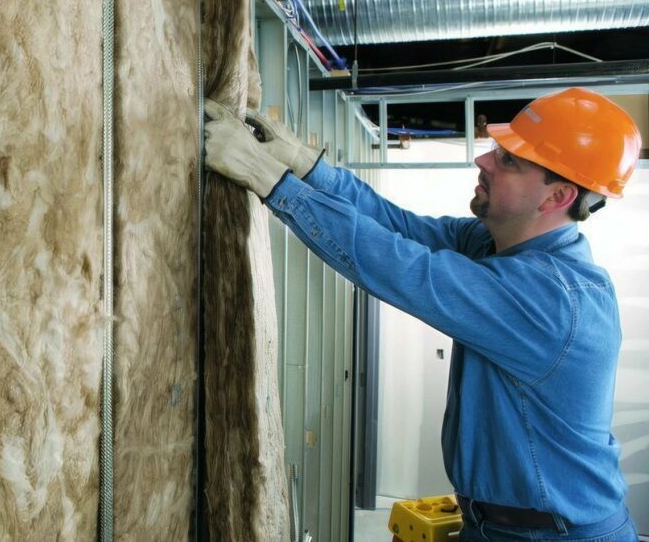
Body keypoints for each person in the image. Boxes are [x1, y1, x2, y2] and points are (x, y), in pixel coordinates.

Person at [204, 87, 642, 542]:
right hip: (500, 527)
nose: (484, 162)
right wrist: (305, 165)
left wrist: (270, 180)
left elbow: (401, 267)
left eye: (510, 160)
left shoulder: (551, 301)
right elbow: (400, 229)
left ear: (558, 196)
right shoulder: (497, 245)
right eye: (498, 150)